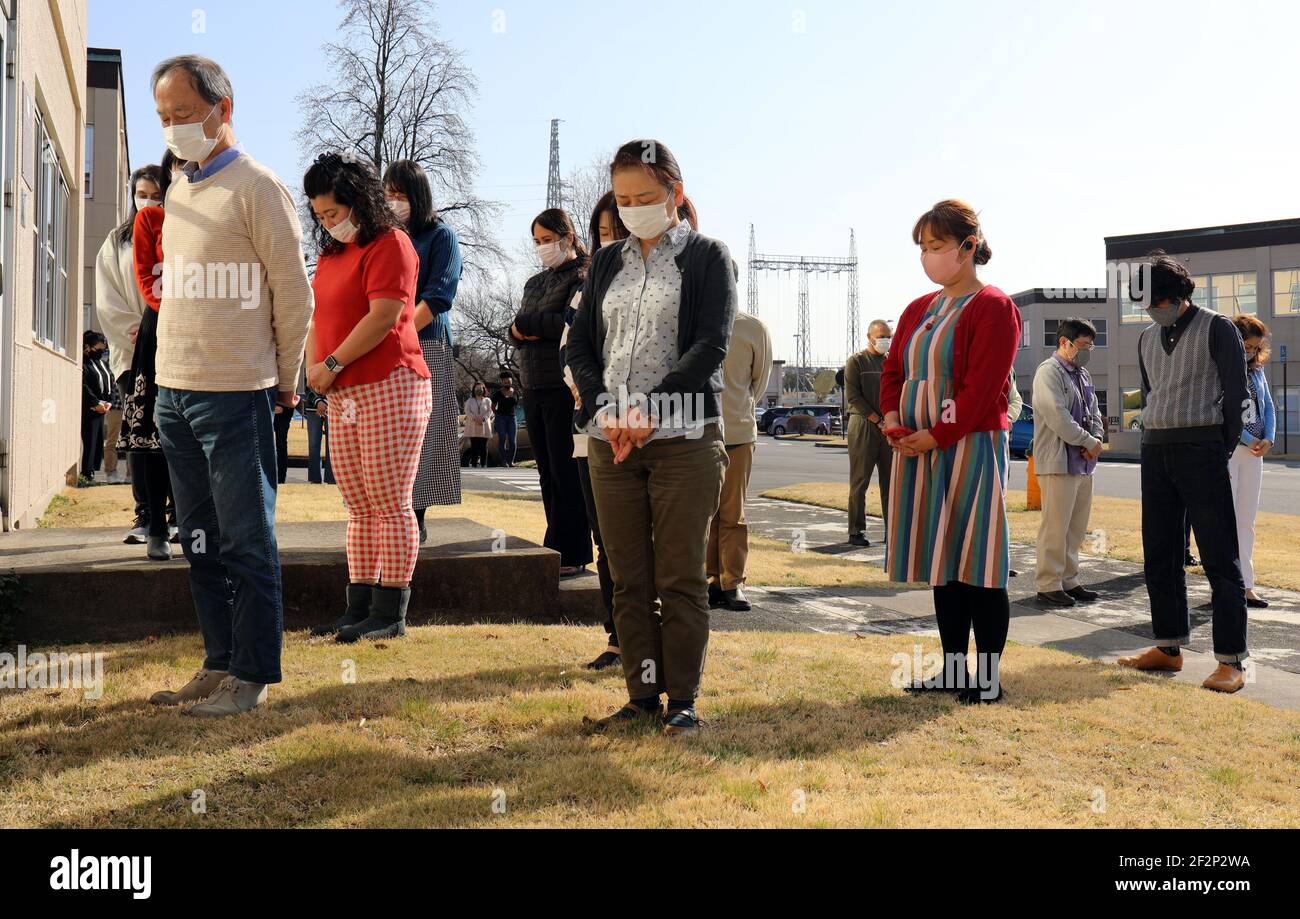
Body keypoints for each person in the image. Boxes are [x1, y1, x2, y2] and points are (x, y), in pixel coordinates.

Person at [147, 56, 314, 717]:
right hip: (173, 391)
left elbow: (294, 293)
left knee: (247, 538)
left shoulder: (258, 186)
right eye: (162, 118)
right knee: (200, 541)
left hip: (237, 390)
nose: (173, 129)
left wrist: (286, 377)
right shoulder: (180, 189)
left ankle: (252, 675)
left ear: (223, 109)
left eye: (183, 115)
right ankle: (218, 662)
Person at [567, 139, 734, 737]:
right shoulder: (607, 262)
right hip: (612, 438)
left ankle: (681, 700)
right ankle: (641, 695)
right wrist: (608, 406)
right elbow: (581, 345)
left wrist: (650, 408)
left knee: (679, 576)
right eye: (622, 198)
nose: (632, 208)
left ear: (676, 195)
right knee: (627, 575)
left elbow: (709, 346)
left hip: (683, 435)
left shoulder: (709, 258)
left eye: (645, 197)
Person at [882, 200, 1021, 705]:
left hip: (972, 446)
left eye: (937, 246)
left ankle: (987, 677)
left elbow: (982, 388)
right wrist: (895, 421)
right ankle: (954, 669)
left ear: (968, 247)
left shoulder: (994, 306)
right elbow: (893, 371)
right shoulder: (918, 309)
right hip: (918, 446)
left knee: (978, 558)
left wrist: (937, 435)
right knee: (944, 559)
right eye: (923, 247)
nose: (928, 256)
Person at [303, 152, 431, 644]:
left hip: (390, 381)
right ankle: (358, 606)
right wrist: (318, 371)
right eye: (319, 215)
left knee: (389, 499)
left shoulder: (391, 243)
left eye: (333, 213)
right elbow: (319, 317)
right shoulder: (334, 254)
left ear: (358, 201)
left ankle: (390, 609)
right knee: (357, 502)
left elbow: (383, 316)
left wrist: (331, 365)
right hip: (344, 390)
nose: (328, 223)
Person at [1119, 253, 1249, 693]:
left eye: (1153, 301)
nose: (1148, 310)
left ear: (1175, 296)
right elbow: (1150, 395)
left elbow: (1236, 394)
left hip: (1202, 448)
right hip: (1156, 450)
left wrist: (1219, 446)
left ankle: (1230, 660)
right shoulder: (1145, 338)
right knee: (1160, 552)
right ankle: (1168, 647)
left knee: (1218, 556)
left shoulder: (1218, 328)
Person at [383, 159, 463, 544]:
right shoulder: (383, 237)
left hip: (425, 341)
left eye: (400, 195)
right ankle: (392, 510)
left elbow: (439, 295)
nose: (394, 202)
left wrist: (400, 332)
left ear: (418, 196)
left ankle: (416, 515)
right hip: (384, 344)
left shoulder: (440, 236)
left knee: (425, 432)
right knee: (390, 433)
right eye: (388, 194)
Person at [511, 208, 592, 579]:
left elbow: (568, 323)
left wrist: (528, 326)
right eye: (538, 241)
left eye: (549, 240)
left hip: (563, 386)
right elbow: (514, 328)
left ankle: (574, 550)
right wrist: (520, 329)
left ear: (568, 236)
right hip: (532, 382)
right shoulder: (534, 283)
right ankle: (554, 541)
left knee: (566, 471)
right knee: (546, 473)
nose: (543, 247)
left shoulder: (583, 276)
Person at [97, 163, 175, 543]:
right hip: (132, 355)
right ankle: (146, 514)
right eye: (140, 195)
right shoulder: (117, 240)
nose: (147, 202)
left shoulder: (177, 233)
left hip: (175, 348)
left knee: (175, 434)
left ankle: (177, 511)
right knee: (140, 430)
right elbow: (106, 296)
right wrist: (136, 330)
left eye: (155, 195)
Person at [570, 192, 630, 670]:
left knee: (644, 546)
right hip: (592, 432)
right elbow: (573, 351)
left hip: (652, 428)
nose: (611, 243)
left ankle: (653, 646)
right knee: (606, 542)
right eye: (603, 234)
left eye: (619, 231)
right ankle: (617, 636)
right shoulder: (586, 287)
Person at [122, 151, 183, 561]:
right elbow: (149, 277)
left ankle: (188, 522)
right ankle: (155, 525)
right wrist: (181, 305)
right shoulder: (152, 219)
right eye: (178, 167)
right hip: (162, 328)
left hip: (206, 332)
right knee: (153, 430)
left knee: (191, 437)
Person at [1031, 317, 1104, 607]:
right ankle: (1048, 583)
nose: (1088, 350)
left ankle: (1069, 579)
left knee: (1075, 527)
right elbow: (1058, 416)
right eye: (1083, 345)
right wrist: (1088, 441)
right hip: (1058, 462)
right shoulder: (1048, 372)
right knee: (1055, 526)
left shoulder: (1082, 374)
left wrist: (1095, 438)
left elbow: (1095, 411)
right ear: (1065, 342)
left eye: (1090, 345)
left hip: (1083, 463)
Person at [708, 307, 772, 612]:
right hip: (699, 432)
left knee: (732, 513)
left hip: (738, 434)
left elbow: (759, 382)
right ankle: (709, 579)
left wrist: (737, 409)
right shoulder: (694, 317)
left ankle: (731, 582)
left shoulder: (753, 328)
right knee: (703, 514)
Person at [1230, 315, 1275, 610]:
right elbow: (1222, 409)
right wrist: (1248, 439)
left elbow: (1268, 404)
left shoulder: (1257, 370)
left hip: (1254, 453)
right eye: (1247, 345)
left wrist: (1268, 437)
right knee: (1225, 522)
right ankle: (1225, 586)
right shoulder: (1222, 368)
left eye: (1256, 348)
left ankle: (1247, 586)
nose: (1251, 352)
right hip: (1230, 450)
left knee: (1247, 521)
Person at [844, 320, 893, 548]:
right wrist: (876, 419)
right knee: (860, 481)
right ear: (869, 336)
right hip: (863, 424)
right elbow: (853, 396)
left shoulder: (891, 362)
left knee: (890, 482)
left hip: (888, 428)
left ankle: (892, 530)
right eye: (881, 335)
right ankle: (856, 531)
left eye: (888, 335)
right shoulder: (857, 361)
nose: (885, 340)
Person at [80, 332, 113, 484]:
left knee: (98, 441)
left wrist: (108, 402)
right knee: (90, 440)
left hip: (102, 407)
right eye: (98, 349)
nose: (101, 352)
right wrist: (94, 403)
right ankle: (87, 473)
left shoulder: (103, 363)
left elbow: (109, 381)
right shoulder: (85, 363)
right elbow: (84, 385)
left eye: (103, 349)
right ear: (90, 347)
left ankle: (93, 470)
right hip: (90, 408)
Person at [463, 382, 494, 468]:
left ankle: (484, 464)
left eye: (480, 388)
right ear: (474, 390)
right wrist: (475, 418)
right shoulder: (470, 401)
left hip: (484, 426)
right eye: (477, 389)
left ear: (484, 389)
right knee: (474, 446)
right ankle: (473, 464)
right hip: (473, 426)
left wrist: (483, 419)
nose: (478, 390)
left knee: (483, 446)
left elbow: (490, 411)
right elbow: (467, 411)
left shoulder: (488, 400)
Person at [491, 373, 519, 468]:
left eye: (508, 380)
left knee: (512, 440)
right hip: (501, 417)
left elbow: (516, 404)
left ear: (511, 380)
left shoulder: (515, 392)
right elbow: (493, 406)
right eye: (505, 380)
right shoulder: (497, 393)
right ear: (502, 382)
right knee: (502, 438)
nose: (507, 381)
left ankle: (511, 461)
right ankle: (504, 461)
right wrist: (498, 415)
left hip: (512, 417)